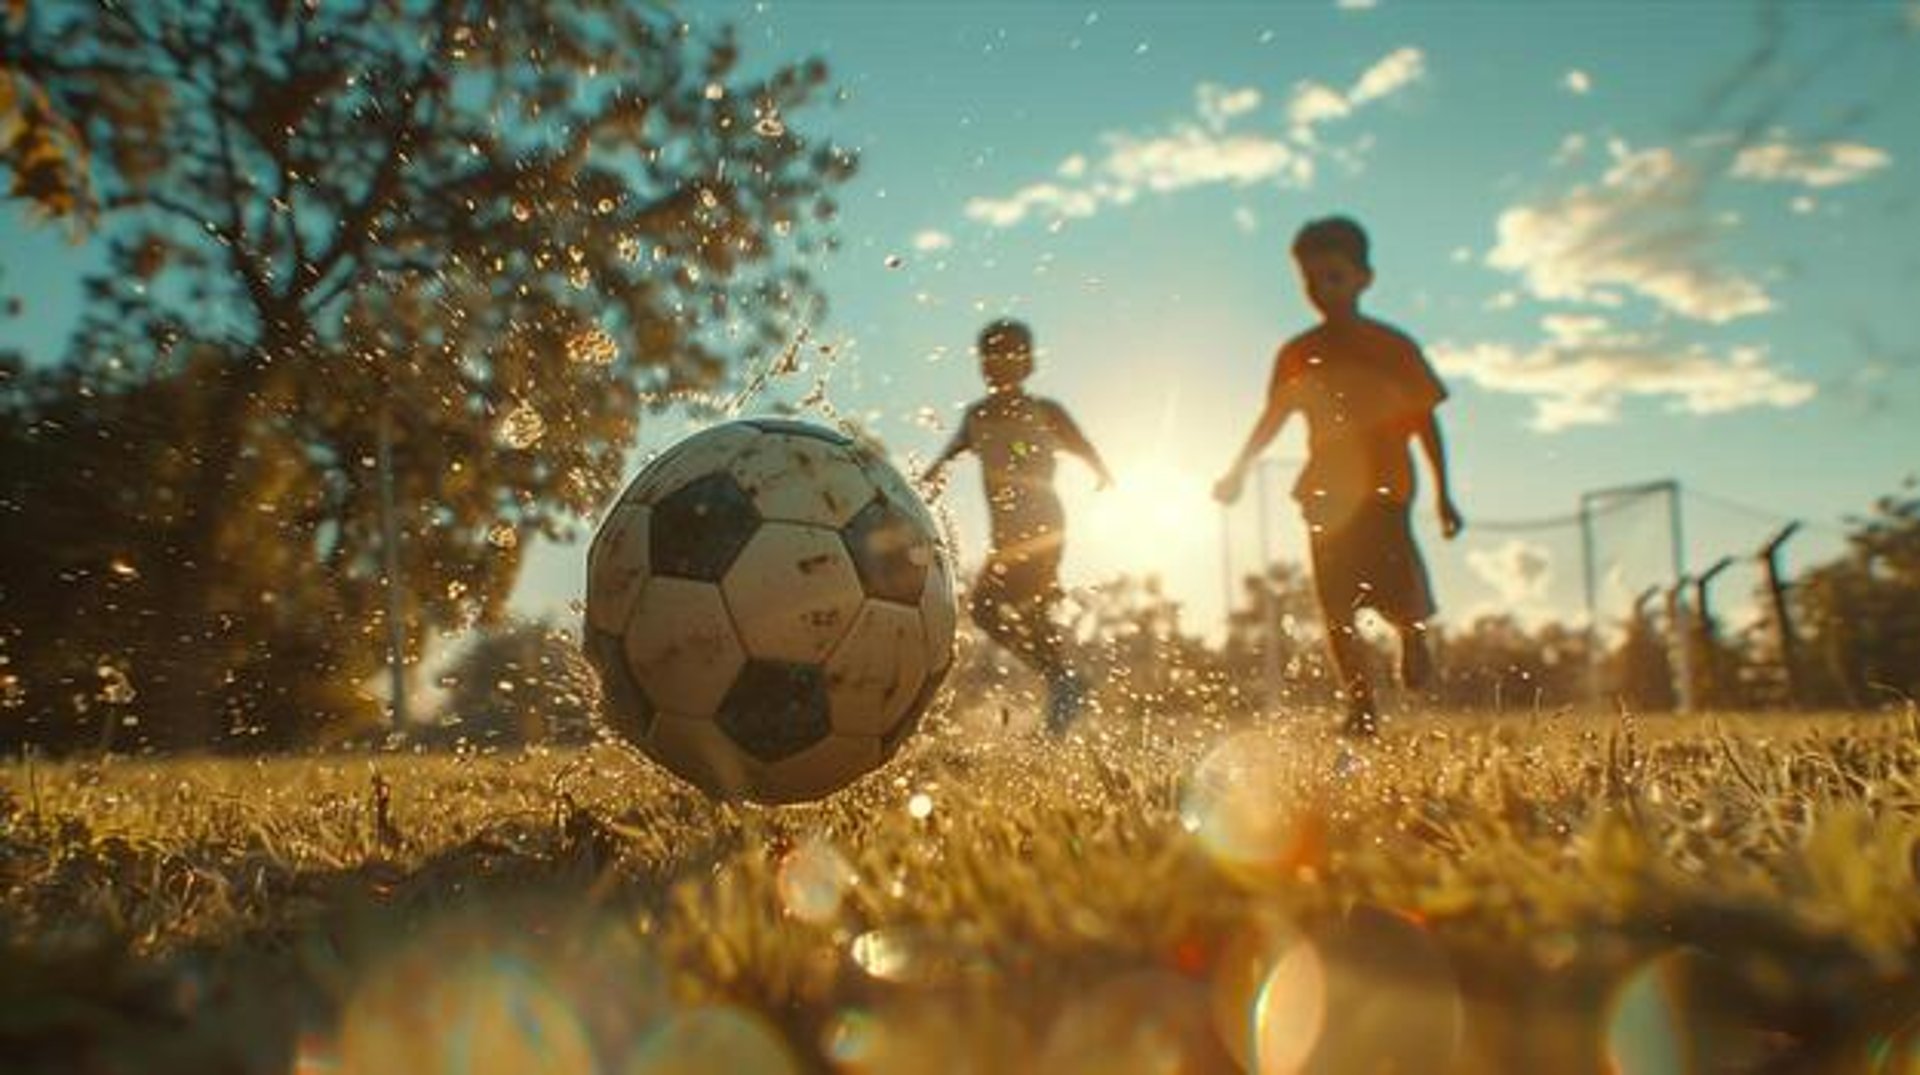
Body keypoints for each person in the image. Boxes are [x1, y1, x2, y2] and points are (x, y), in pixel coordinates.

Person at [1214, 216, 1464, 737]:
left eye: (1333, 276)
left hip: (1386, 491)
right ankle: (1361, 708)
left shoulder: (1395, 349)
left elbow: (1426, 424)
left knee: (1400, 593)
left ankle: (1412, 635)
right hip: (1325, 494)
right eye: (1309, 280)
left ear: (1363, 278)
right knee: (1336, 607)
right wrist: (1237, 470)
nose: (1320, 289)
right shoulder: (1297, 354)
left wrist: (1444, 496)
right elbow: (1272, 419)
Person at [923, 318, 1114, 734]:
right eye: (990, 355)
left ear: (1028, 364)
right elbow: (949, 455)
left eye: (1009, 354)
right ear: (981, 365)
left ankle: (1062, 683)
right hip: (1005, 536)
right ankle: (1062, 678)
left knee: (1027, 606)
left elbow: (1081, 443)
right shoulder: (977, 416)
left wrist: (1100, 470)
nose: (998, 362)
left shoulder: (1044, 411)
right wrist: (926, 484)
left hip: (1044, 525)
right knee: (985, 610)